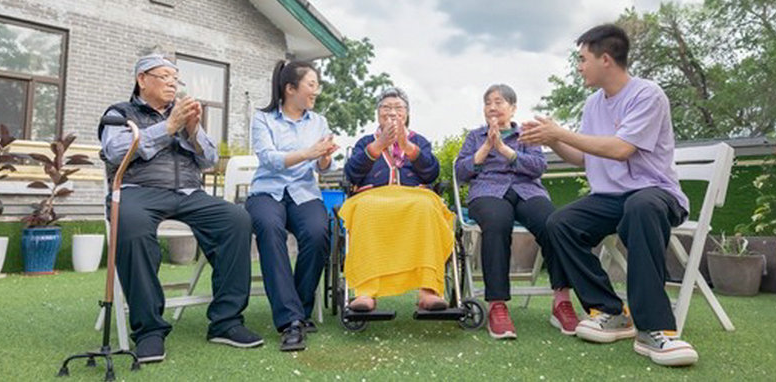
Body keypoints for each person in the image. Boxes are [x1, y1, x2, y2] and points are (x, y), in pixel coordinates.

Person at [519, 24, 698, 367]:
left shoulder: (648, 95)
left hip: (654, 193)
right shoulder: (592, 105)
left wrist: (561, 132)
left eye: (582, 59)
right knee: (559, 223)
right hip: (611, 198)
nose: (579, 66)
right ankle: (610, 311)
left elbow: (620, 149)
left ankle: (655, 330)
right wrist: (553, 139)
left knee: (641, 207)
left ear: (605, 59)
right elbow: (584, 157)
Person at [98, 53, 262, 364]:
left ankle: (226, 322)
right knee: (130, 225)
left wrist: (191, 129)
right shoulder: (121, 112)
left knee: (236, 219)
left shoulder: (182, 114)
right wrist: (167, 128)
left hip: (189, 193)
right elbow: (114, 151)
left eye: (176, 79)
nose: (172, 83)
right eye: (164, 76)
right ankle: (149, 330)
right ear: (142, 80)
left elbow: (210, 160)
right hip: (139, 191)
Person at [455, 83, 578, 339]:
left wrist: (505, 150)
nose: (492, 107)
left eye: (498, 102)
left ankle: (562, 301)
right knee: (498, 223)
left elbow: (537, 167)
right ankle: (497, 305)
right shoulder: (475, 137)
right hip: (488, 192)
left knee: (552, 224)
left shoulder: (527, 134)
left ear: (512, 108)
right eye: (488, 102)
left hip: (527, 190)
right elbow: (461, 172)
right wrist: (487, 148)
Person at [246, 60, 338, 352]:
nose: (316, 91)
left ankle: (297, 308)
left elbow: (323, 168)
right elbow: (270, 159)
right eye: (311, 85)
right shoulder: (263, 119)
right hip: (266, 192)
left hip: (303, 192)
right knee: (269, 229)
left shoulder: (318, 121)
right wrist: (309, 152)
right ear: (290, 88)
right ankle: (291, 322)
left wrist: (323, 158)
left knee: (318, 232)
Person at [339, 87, 454, 313]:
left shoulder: (419, 141)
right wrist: (378, 145)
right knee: (365, 209)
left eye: (398, 108)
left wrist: (408, 147)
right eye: (386, 107)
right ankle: (365, 291)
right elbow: (352, 174)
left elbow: (431, 174)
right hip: (373, 196)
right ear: (378, 114)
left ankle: (428, 290)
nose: (392, 112)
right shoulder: (365, 142)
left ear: (407, 114)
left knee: (426, 206)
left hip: (414, 196)